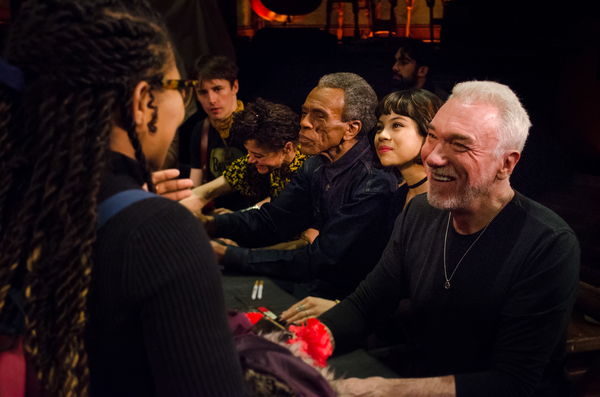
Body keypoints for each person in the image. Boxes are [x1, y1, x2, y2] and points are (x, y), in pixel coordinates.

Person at [0, 1, 247, 396]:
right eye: (181, 89)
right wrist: (151, 222)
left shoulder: (22, 200)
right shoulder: (159, 233)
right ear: (142, 101)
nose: (188, 104)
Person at [319, 81, 580, 396]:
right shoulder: (419, 211)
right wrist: (295, 342)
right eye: (432, 136)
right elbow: (366, 306)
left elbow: (511, 382)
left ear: (506, 163)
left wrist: (388, 390)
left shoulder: (548, 244)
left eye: (460, 144)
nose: (432, 158)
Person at [199, 73, 395, 300]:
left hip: (350, 298)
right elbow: (272, 222)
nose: (304, 122)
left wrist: (229, 256)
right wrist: (208, 224)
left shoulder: (373, 182)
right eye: (305, 112)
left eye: (319, 116)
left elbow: (320, 259)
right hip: (316, 283)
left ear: (351, 129)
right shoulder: (315, 163)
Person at [281, 89, 444, 324]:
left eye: (396, 125)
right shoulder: (398, 196)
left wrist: (345, 310)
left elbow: (426, 299)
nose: (383, 136)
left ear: (429, 133)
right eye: (379, 127)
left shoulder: (444, 204)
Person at [180, 98, 308, 213]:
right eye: (249, 152)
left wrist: (235, 219)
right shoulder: (256, 161)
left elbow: (277, 211)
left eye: (258, 155)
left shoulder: (309, 170)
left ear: (287, 148)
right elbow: (210, 190)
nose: (250, 160)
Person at [189, 55, 246, 187]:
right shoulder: (201, 130)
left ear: (235, 87)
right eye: (203, 92)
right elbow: (195, 186)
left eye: (217, 89)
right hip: (214, 206)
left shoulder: (256, 125)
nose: (211, 100)